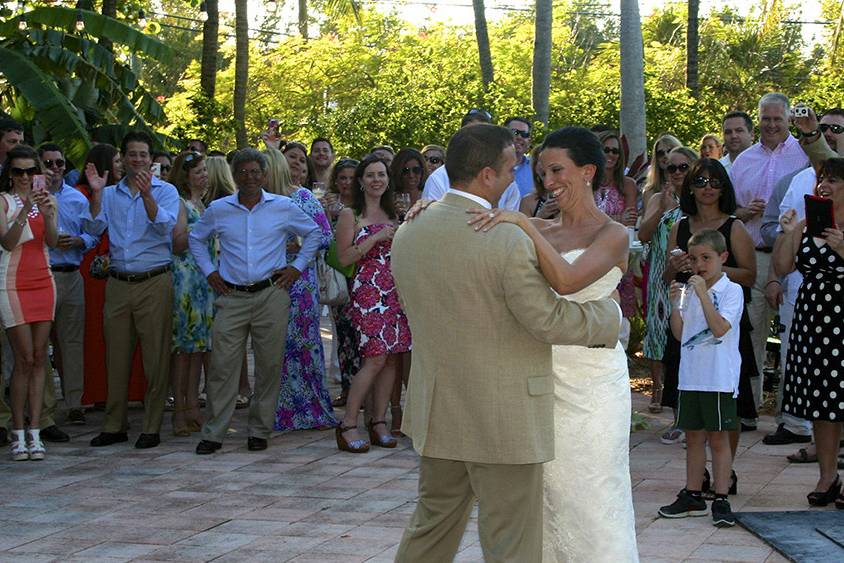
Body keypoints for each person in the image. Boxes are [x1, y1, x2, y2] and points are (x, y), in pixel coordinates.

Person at [392, 124, 624, 562]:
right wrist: (607, 318)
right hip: (505, 414)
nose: (518, 176)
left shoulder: (410, 230)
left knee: (432, 526)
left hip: (438, 408)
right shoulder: (504, 237)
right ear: (486, 175)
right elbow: (547, 319)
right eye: (511, 167)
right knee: (511, 541)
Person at [191, 148, 322, 454]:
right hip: (231, 295)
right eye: (243, 172)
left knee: (269, 365)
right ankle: (214, 432)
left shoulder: (283, 206)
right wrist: (209, 271)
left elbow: (314, 234)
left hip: (270, 294)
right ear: (234, 176)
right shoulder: (219, 209)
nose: (249, 178)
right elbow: (197, 239)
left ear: (265, 175)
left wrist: (295, 267)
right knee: (223, 366)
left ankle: (260, 430)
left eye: (255, 172)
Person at [662, 159, 758, 493]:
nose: (707, 187)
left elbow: (750, 275)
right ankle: (696, 479)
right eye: (700, 180)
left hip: (724, 319)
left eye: (714, 181)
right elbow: (667, 276)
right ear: (689, 187)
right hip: (689, 321)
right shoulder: (680, 226)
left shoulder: (735, 227)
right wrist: (677, 267)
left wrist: (709, 270)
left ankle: (724, 475)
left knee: (726, 407)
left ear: (724, 187)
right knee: (692, 410)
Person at [84, 131, 180, 450]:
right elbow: (93, 228)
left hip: (154, 281)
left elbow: (166, 228)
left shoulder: (166, 191)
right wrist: (97, 194)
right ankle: (115, 424)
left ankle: (151, 426)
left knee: (155, 358)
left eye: (143, 154)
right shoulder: (110, 194)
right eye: (132, 154)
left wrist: (148, 195)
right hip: (119, 282)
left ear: (151, 159)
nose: (137, 159)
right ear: (123, 158)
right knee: (117, 356)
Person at [760, 108, 844, 447]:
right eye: (822, 128)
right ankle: (805, 437)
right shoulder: (797, 182)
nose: (828, 133)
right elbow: (777, 243)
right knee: (816, 381)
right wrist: (774, 277)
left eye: (835, 128)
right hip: (807, 296)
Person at [730, 93, 810, 424]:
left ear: (789, 119)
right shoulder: (743, 160)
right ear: (758, 120)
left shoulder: (805, 156)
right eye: (766, 119)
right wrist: (743, 211)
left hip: (795, 261)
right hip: (753, 257)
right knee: (751, 335)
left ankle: (789, 415)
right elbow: (726, 207)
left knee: (796, 336)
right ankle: (749, 414)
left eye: (778, 119)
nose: (772, 125)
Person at [658, 229, 744, 528]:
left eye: (706, 258)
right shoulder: (691, 291)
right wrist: (675, 305)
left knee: (718, 439)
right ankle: (692, 493)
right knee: (693, 436)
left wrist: (703, 295)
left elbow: (720, 328)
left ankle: (721, 497)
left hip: (717, 378)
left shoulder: (731, 291)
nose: (699, 265)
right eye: (694, 259)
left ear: (723, 257)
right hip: (691, 377)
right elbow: (681, 335)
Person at [773, 157, 844, 508]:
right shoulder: (810, 223)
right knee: (821, 401)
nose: (824, 186)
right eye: (821, 179)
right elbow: (782, 266)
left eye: (832, 180)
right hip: (812, 317)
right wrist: (791, 233)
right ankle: (828, 477)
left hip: (842, 318)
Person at [333, 156, 411, 452]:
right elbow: (343, 258)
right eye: (370, 175)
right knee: (375, 358)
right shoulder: (350, 215)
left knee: (392, 358)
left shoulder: (395, 213)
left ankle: (379, 421)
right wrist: (375, 238)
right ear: (361, 181)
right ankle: (348, 424)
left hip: (395, 293)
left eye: (382, 175)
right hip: (368, 293)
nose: (377, 180)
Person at [262, 148, 335, 432]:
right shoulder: (259, 201)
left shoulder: (301, 197)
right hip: (265, 281)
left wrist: (296, 245)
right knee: (273, 346)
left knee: (303, 344)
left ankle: (311, 408)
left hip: (299, 281)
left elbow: (325, 236)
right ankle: (277, 409)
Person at [0, 145, 59, 461]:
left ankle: (35, 432)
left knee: (39, 358)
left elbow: (51, 241)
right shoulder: (4, 202)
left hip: (43, 282)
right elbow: (7, 241)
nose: (25, 177)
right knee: (23, 358)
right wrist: (24, 210)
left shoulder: (48, 202)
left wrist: (48, 214)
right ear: (9, 174)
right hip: (12, 284)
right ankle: (17, 430)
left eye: (31, 171)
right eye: (18, 171)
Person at [41, 143, 97, 436]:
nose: (54, 168)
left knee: (72, 343)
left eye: (59, 163)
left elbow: (92, 233)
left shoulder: (77, 198)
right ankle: (44, 408)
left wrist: (79, 241)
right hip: (40, 275)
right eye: (48, 163)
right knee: (38, 347)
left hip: (71, 274)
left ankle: (75, 402)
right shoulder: (31, 199)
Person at [640, 146, 698, 419]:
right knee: (656, 328)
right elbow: (643, 233)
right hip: (659, 272)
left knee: (679, 330)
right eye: (670, 168)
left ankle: (679, 392)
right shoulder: (658, 197)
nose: (676, 173)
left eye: (682, 167)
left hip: (686, 272)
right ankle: (657, 388)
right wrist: (662, 207)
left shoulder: (700, 198)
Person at [74, 144, 125, 417]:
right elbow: (90, 226)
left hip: (120, 267)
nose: (119, 165)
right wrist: (97, 192)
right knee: (96, 333)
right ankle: (99, 392)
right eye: (116, 160)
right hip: (94, 269)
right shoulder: (85, 193)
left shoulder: (125, 192)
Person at [168, 151, 213, 436]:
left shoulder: (204, 203)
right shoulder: (180, 203)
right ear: (185, 176)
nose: (204, 175)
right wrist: (204, 228)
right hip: (185, 280)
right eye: (198, 171)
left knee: (198, 348)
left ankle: (193, 405)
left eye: (205, 170)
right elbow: (176, 242)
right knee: (182, 350)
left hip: (204, 282)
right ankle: (179, 411)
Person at [422, 109, 522, 211]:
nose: (478, 141)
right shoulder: (438, 179)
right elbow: (433, 217)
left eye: (485, 136)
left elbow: (511, 220)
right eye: (473, 135)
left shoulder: (507, 182)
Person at [324, 159, 361, 408]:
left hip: (361, 277)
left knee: (361, 338)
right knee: (344, 337)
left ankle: (363, 390)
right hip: (339, 277)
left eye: (351, 177)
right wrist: (327, 213)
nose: (347, 182)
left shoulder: (364, 206)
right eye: (342, 178)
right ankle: (348, 390)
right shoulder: (328, 205)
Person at [504, 117, 534, 197]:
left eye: (524, 134)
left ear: (529, 141)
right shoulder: (489, 164)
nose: (519, 137)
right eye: (514, 132)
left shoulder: (536, 169)